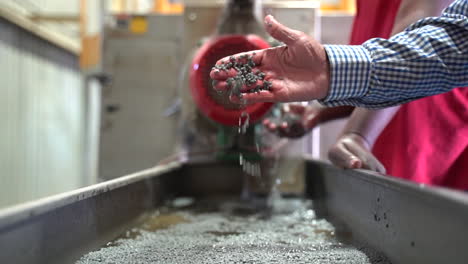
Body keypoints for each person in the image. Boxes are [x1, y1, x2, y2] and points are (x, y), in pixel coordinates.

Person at [210, 0, 468, 108]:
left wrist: (358, 133)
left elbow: (433, 24)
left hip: (427, 105)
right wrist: (330, 71)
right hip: (383, 91)